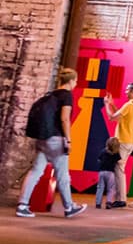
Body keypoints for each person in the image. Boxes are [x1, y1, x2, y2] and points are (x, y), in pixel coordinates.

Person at [17, 66, 86, 219]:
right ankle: (69, 207)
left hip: (43, 139)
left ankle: (22, 205)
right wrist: (68, 139)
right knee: (63, 175)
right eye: (75, 81)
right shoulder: (66, 95)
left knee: (35, 172)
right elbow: (64, 118)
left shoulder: (51, 94)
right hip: (56, 139)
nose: (75, 84)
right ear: (72, 81)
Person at [103, 82, 133, 207]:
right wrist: (112, 104)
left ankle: (121, 199)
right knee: (119, 168)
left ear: (132, 91)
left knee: (119, 169)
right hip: (130, 141)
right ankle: (120, 198)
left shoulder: (129, 105)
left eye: (127, 90)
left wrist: (106, 105)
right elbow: (120, 117)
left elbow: (112, 118)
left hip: (123, 141)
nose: (125, 92)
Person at [96, 136, 121, 209]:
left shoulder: (103, 151)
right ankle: (109, 202)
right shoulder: (116, 153)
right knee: (111, 188)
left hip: (101, 172)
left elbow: (99, 160)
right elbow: (119, 162)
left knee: (100, 188)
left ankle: (98, 203)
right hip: (110, 173)